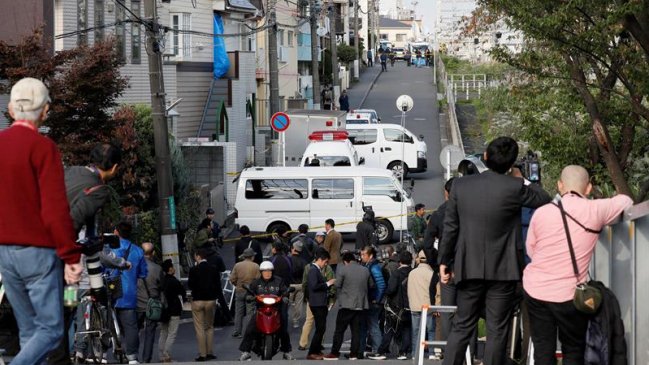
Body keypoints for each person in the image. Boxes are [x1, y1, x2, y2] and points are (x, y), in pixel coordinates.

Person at [438, 136, 552, 365]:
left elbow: (451, 228)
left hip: (468, 267)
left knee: (462, 326)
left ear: (486, 157)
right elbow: (543, 198)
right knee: (497, 330)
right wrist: (521, 179)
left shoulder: (460, 186)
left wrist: (444, 261)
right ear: (511, 165)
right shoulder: (515, 187)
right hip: (504, 270)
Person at [0, 77, 82, 365]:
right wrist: (71, 256)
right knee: (50, 330)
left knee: (29, 332)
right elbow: (54, 210)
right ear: (45, 111)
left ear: (11, 109)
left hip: (4, 253)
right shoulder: (43, 148)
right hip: (37, 252)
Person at [523, 165, 633, 364]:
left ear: (559, 185)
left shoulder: (542, 212)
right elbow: (626, 201)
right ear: (589, 188)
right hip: (570, 295)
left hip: (536, 290)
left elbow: (531, 250)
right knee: (573, 349)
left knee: (542, 349)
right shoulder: (595, 209)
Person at [53, 142, 123, 365]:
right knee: (63, 317)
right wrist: (72, 253)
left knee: (63, 316)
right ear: (114, 168)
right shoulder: (99, 191)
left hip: (33, 247)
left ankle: (71, 353)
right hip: (65, 269)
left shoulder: (71, 171)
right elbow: (71, 221)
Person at [239, 261, 295, 361]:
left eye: (269, 271)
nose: (267, 273)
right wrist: (249, 297)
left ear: (272, 271)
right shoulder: (256, 282)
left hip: (276, 309)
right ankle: (246, 352)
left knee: (283, 328)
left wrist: (285, 297)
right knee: (250, 327)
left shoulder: (279, 281)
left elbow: (285, 291)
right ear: (261, 272)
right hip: (261, 309)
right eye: (265, 271)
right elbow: (249, 292)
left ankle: (286, 351)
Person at [109, 222, 148, 365]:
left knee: (107, 323)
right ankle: (132, 356)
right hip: (128, 294)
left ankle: (103, 353)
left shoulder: (109, 249)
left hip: (110, 292)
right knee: (131, 326)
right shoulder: (137, 251)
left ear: (117, 232)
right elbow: (143, 273)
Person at [323, 251, 371, 360]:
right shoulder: (365, 270)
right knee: (356, 331)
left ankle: (334, 353)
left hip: (346, 305)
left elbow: (338, 284)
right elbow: (371, 285)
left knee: (339, 330)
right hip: (361, 305)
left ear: (345, 261)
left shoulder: (343, 269)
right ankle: (354, 353)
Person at [372, 251, 413, 360]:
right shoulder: (413, 272)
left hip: (395, 306)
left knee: (389, 328)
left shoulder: (396, 273)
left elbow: (391, 289)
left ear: (400, 261)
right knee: (406, 329)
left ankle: (382, 351)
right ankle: (403, 352)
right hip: (409, 305)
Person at [298, 247, 336, 351]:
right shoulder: (325, 269)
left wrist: (306, 296)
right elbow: (330, 284)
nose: (326, 264)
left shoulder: (307, 267)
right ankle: (319, 344)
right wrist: (331, 295)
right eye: (326, 261)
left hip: (311, 298)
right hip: (320, 300)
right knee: (321, 325)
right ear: (321, 259)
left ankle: (303, 343)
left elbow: (304, 283)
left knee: (309, 321)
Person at [188, 248, 219, 361]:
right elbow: (217, 285)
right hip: (210, 300)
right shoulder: (213, 269)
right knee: (209, 327)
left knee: (199, 328)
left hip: (197, 300)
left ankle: (202, 354)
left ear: (198, 257)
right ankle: (210, 352)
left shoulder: (193, 270)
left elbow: (190, 285)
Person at [407, 250, 439, 360]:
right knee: (430, 331)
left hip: (414, 306)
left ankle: (414, 353)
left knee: (415, 332)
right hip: (428, 306)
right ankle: (431, 353)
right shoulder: (432, 274)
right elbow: (436, 292)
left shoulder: (412, 273)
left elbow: (409, 290)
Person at [136, 242, 164, 363]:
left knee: (133, 331)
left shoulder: (134, 267)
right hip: (152, 305)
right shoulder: (157, 269)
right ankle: (146, 359)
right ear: (153, 253)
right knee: (150, 333)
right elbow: (161, 287)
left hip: (136, 304)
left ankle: (132, 356)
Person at [360, 246, 386, 358]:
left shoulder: (374, 267)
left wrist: (377, 299)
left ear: (370, 256)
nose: (361, 257)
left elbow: (381, 284)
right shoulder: (370, 266)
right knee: (369, 325)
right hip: (371, 300)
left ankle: (377, 350)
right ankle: (371, 348)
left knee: (373, 325)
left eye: (363, 255)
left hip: (373, 301)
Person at [158, 259, 185, 363]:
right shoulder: (174, 281)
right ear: (170, 269)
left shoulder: (162, 281)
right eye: (173, 267)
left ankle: (161, 355)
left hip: (164, 310)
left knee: (163, 332)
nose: (174, 268)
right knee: (172, 333)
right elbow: (182, 292)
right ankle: (167, 355)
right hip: (174, 310)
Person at [230, 248, 260, 338]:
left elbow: (232, 279)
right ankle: (248, 331)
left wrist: (237, 284)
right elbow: (258, 280)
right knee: (250, 312)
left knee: (238, 312)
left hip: (239, 290)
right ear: (252, 257)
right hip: (250, 292)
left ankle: (237, 331)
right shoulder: (256, 266)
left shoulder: (237, 265)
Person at [289, 242, 307, 328]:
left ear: (293, 249)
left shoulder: (288, 259)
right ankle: (295, 321)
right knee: (298, 305)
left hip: (290, 285)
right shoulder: (304, 261)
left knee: (287, 303)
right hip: (300, 285)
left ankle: (284, 319)